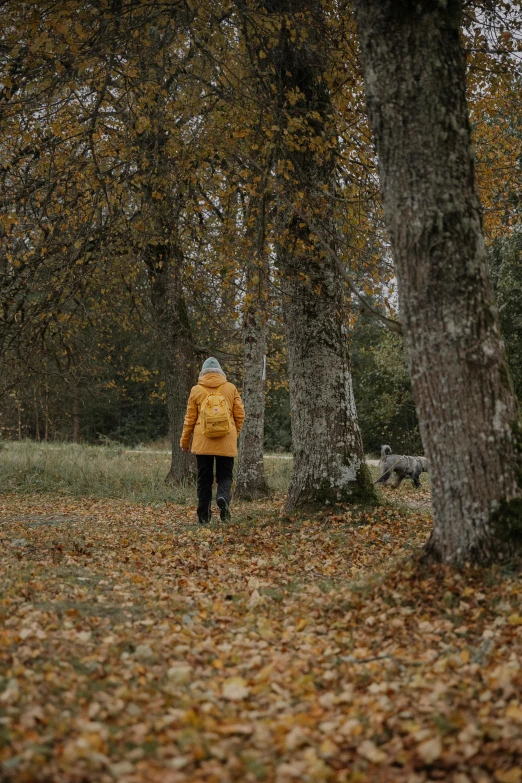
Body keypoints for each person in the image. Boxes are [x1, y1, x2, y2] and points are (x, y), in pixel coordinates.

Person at [180, 357, 245, 524]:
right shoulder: (230, 388)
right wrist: (233, 434)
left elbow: (189, 419)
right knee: (225, 475)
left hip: (203, 442)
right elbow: (240, 415)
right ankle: (222, 497)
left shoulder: (196, 390)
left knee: (204, 479)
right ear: (220, 371)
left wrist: (185, 441)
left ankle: (203, 517)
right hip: (226, 439)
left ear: (203, 373)